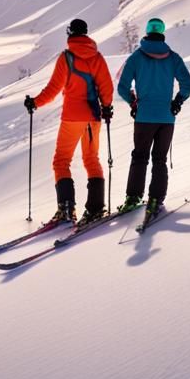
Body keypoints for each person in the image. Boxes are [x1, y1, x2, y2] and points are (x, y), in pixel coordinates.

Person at [24, 18, 114, 225]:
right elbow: (106, 88)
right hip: (93, 117)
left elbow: (53, 90)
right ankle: (96, 208)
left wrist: (35, 103)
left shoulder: (66, 58)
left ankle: (66, 209)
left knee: (61, 161)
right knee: (91, 159)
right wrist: (107, 107)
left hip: (73, 116)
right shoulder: (97, 57)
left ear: (70, 33)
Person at [116, 17, 190, 226]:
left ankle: (133, 197)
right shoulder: (173, 57)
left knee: (139, 157)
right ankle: (156, 200)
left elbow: (122, 86)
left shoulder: (137, 57)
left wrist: (133, 103)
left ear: (147, 32)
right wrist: (177, 102)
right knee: (159, 159)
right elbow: (187, 84)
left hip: (144, 116)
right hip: (166, 118)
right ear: (162, 33)